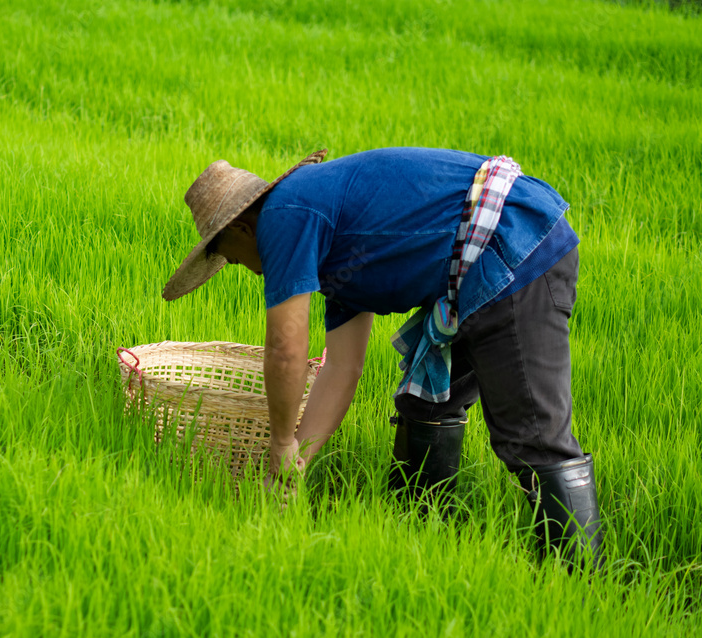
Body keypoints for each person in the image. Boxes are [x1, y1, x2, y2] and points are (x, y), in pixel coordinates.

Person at [162, 147, 603, 568]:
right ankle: (418, 542)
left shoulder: (283, 215)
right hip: (481, 258)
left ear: (240, 229)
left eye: (230, 259)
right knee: (428, 405)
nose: (244, 269)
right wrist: (296, 461)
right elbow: (342, 367)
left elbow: (285, 351)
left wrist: (279, 442)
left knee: (532, 434)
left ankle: (578, 580)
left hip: (513, 245)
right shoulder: (327, 247)